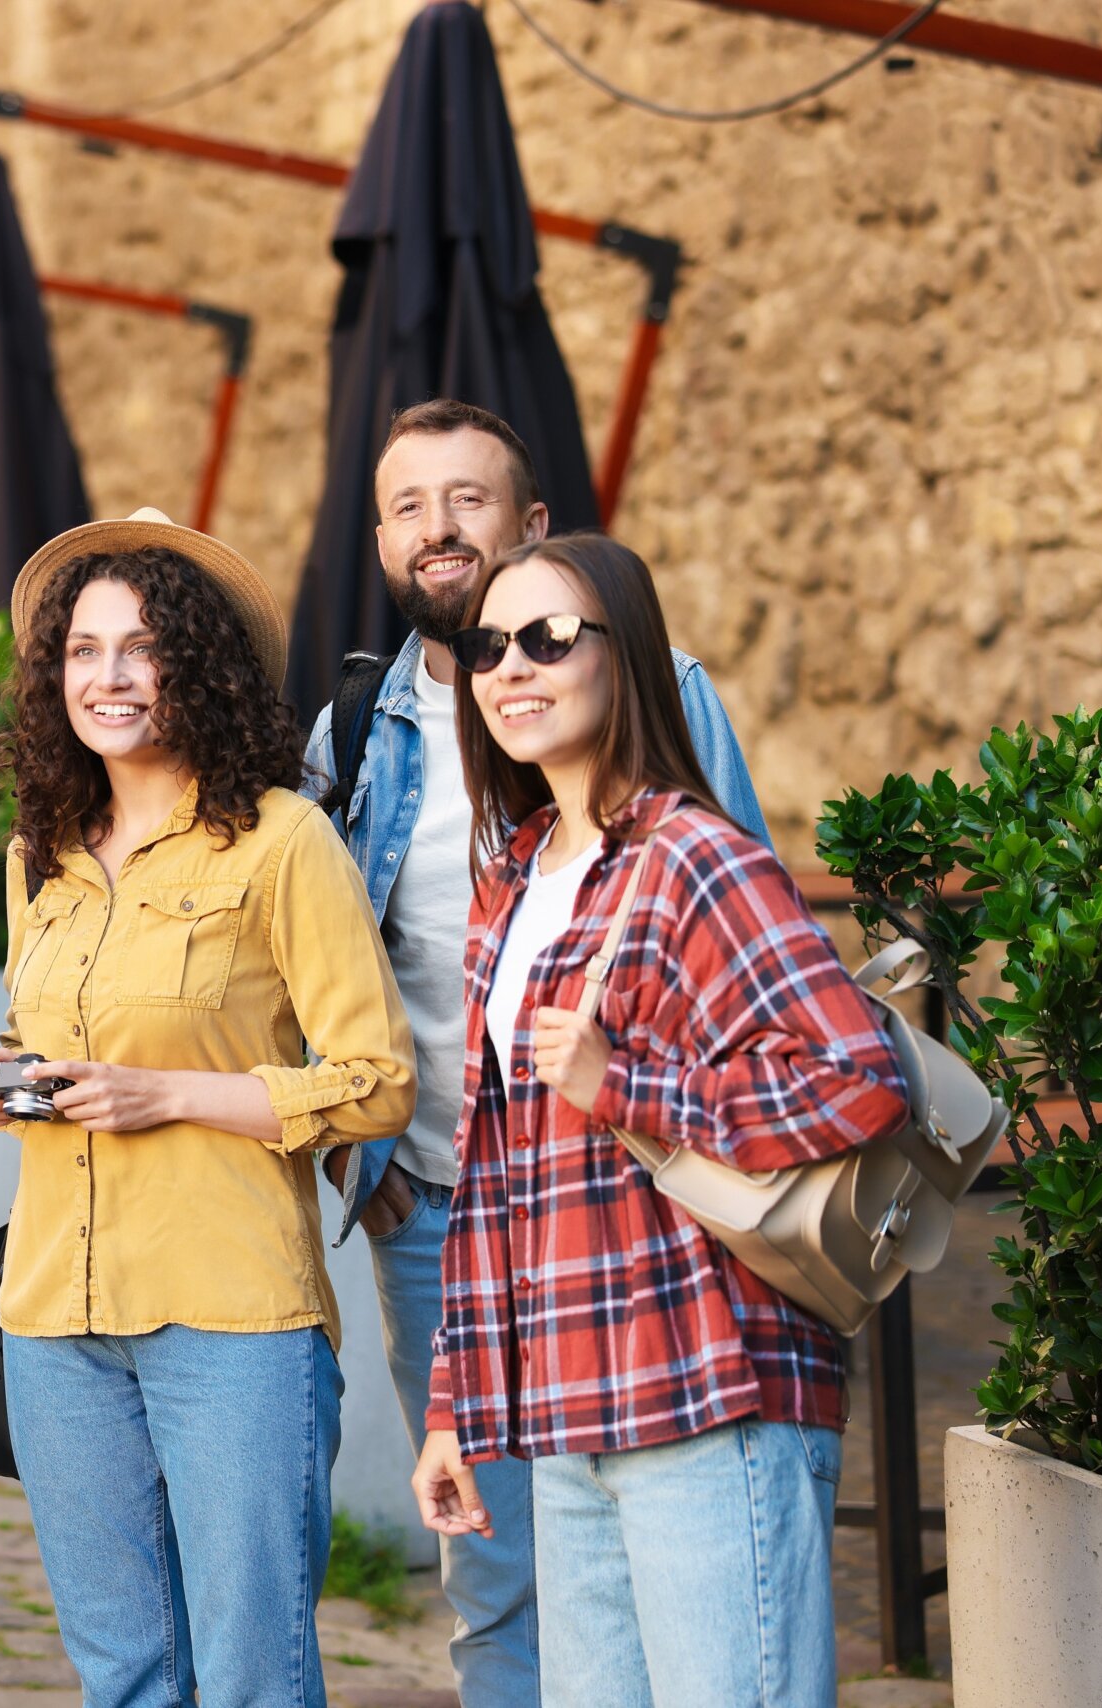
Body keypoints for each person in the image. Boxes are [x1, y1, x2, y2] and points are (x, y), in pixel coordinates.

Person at [300, 399, 768, 1704]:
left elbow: (753, 933)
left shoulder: (659, 694)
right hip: (440, 1202)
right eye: (408, 506)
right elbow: (307, 964)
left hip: (641, 1195)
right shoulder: (353, 734)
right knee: (494, 1557)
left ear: (536, 527)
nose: (438, 529)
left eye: (469, 500)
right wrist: (362, 1157)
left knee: (657, 1556)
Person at [410, 532, 907, 1708]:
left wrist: (627, 1083)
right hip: (572, 1415)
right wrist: (452, 1409)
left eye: (547, 638)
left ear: (623, 656)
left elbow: (857, 1075)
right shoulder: (512, 878)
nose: (511, 668)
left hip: (707, 1388)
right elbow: (495, 1178)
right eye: (489, 644)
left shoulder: (693, 855)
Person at [0, 508, 416, 1708]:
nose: (107, 676)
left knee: (256, 1672)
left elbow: (377, 1081)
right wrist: (10, 1085)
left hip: (232, 1319)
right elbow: (58, 1039)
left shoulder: (282, 841)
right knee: (124, 1673)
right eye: (83, 649)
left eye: (138, 647)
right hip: (55, 1319)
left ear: (191, 664)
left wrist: (173, 1095)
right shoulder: (38, 848)